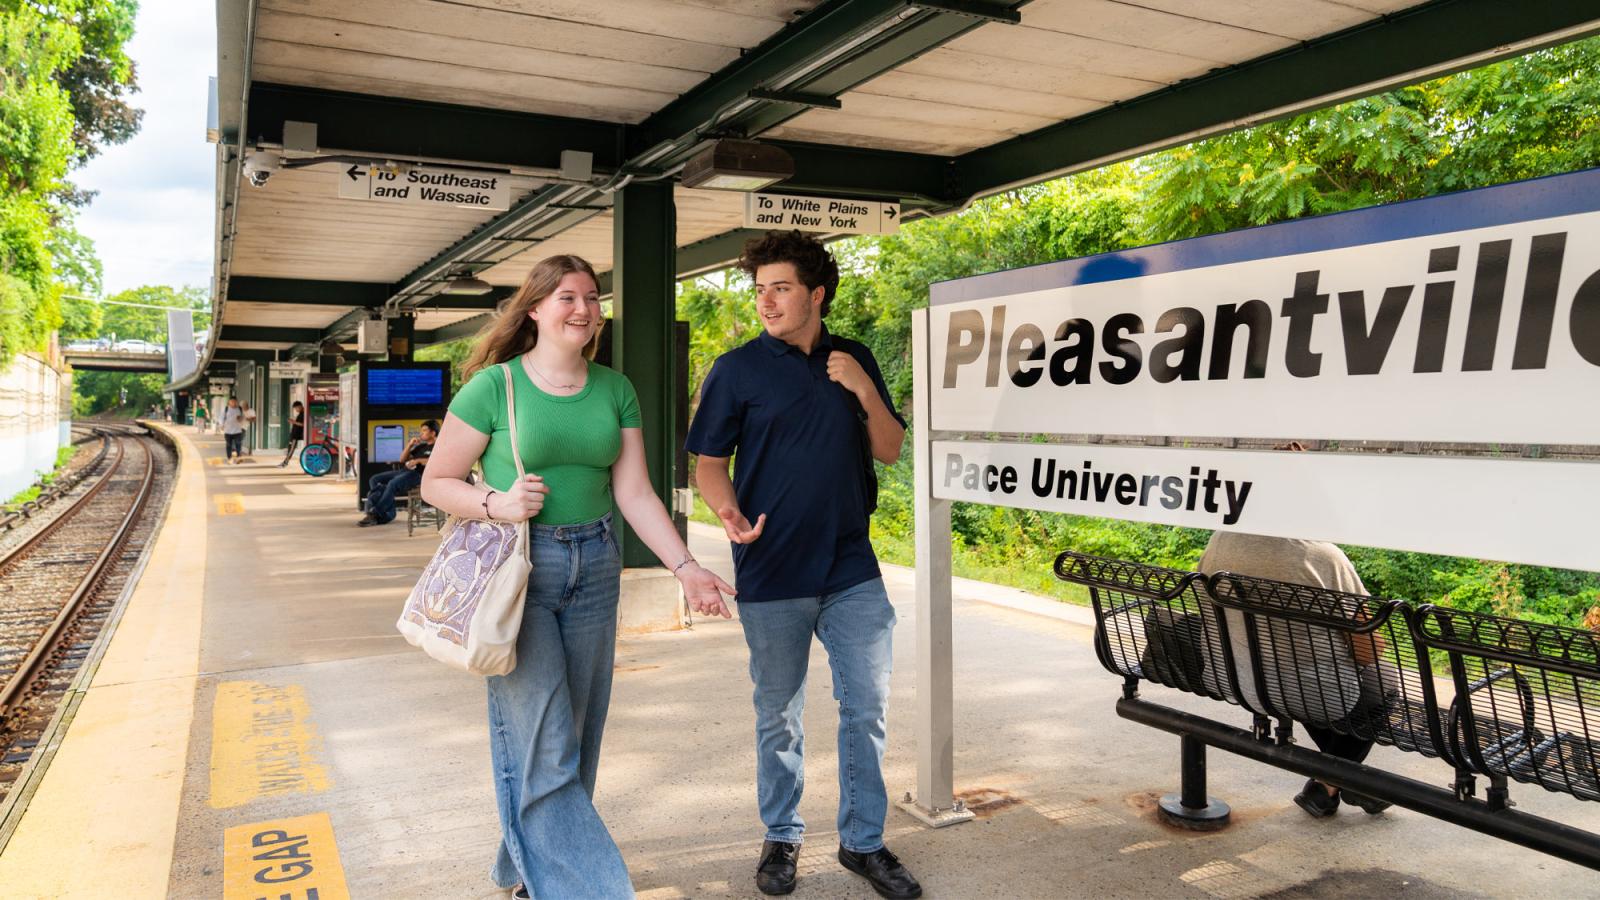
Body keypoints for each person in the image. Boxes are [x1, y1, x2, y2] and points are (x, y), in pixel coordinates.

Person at [420, 254, 734, 900]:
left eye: (592, 299)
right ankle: (585, 889)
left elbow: (637, 493)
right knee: (543, 734)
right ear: (534, 308)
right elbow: (436, 482)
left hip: (596, 562)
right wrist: (496, 504)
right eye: (567, 297)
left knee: (580, 730)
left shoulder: (615, 388)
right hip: (521, 569)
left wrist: (686, 567)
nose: (584, 310)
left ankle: (526, 868)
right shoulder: (493, 387)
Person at [685, 231, 918, 899]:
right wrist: (726, 512)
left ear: (816, 294)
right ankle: (781, 836)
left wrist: (864, 390)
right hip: (771, 570)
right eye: (759, 290)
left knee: (866, 706)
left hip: (852, 568)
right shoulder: (736, 371)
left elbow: (891, 450)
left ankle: (863, 843)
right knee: (779, 714)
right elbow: (708, 464)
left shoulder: (855, 357)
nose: (766, 300)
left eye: (779, 287)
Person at [1197, 446, 1393, 819]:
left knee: (1305, 679)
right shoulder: (1322, 556)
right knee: (1377, 683)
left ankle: (1337, 785)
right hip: (1305, 692)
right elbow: (1369, 650)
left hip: (1236, 679)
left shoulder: (1222, 538)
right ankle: (1338, 782)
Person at [358, 420, 438, 527]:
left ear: (433, 433)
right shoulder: (421, 447)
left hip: (419, 475)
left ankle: (374, 513)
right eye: (421, 430)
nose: (421, 433)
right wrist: (409, 445)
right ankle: (388, 514)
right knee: (375, 479)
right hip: (404, 471)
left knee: (392, 484)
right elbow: (402, 459)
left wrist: (418, 461)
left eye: (424, 430)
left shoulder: (439, 447)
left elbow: (438, 462)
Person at [279, 400, 304, 468]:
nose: (296, 410)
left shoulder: (303, 414)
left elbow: (303, 424)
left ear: (300, 406)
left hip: (297, 434)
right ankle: (285, 462)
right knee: (290, 448)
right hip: (295, 433)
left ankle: (285, 462)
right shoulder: (301, 413)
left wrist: (293, 422)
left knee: (291, 449)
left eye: (296, 408)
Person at [221, 397, 245, 463]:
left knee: (238, 444)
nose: (233, 403)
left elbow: (242, 418)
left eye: (235, 402)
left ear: (236, 402)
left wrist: (240, 419)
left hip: (237, 430)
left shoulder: (239, 409)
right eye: (232, 402)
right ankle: (230, 458)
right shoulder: (226, 409)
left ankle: (238, 457)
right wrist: (222, 425)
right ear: (229, 402)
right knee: (229, 445)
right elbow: (222, 418)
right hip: (228, 431)